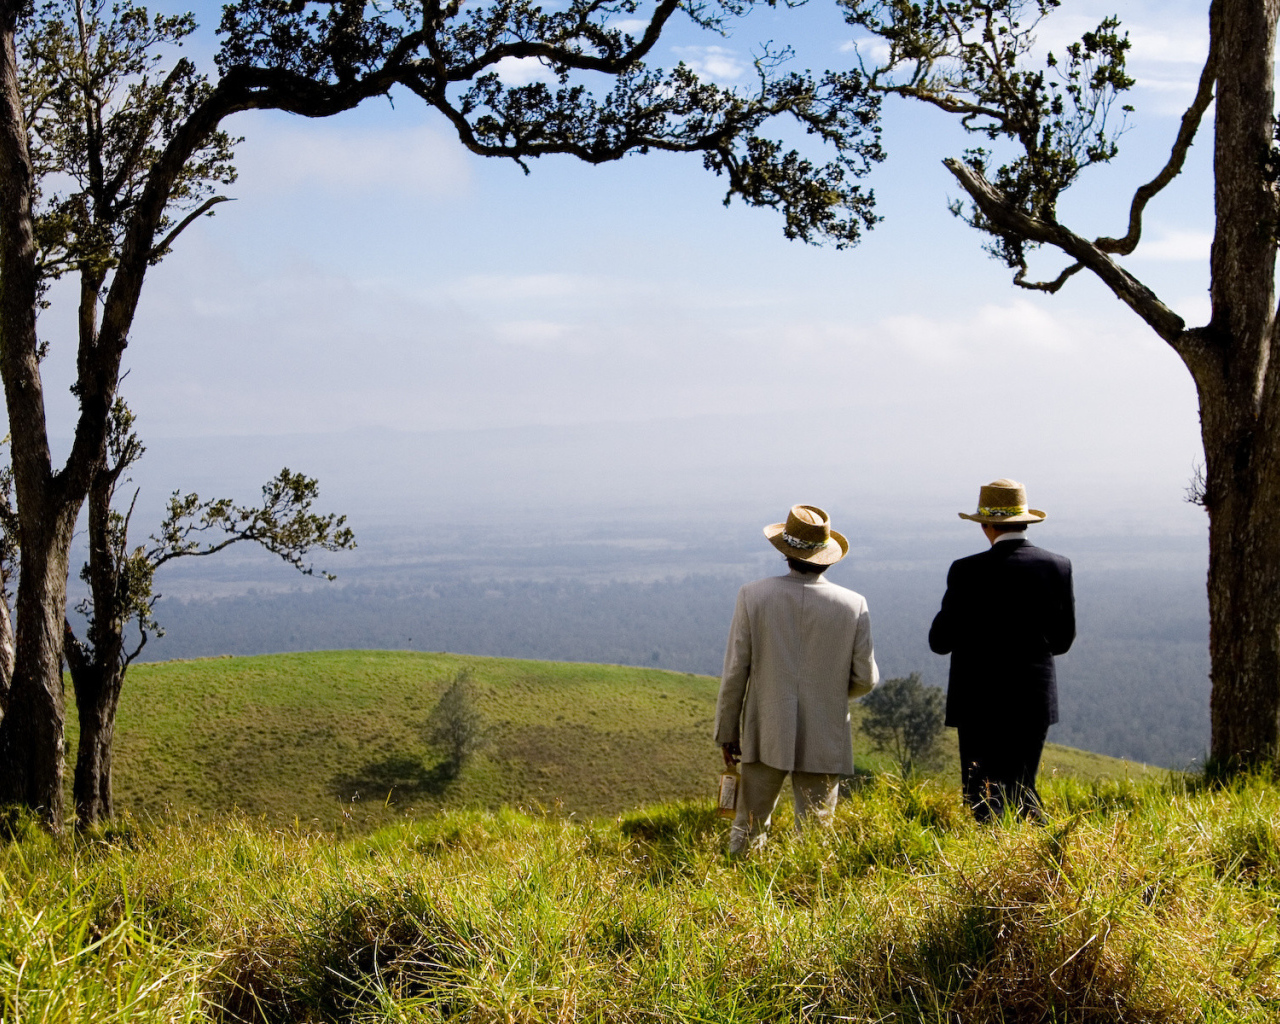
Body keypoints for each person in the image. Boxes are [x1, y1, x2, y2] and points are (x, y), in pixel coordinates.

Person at [715, 504, 879, 856]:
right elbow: (865, 678)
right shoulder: (853, 604)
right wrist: (829, 696)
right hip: (825, 731)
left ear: (784, 552)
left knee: (749, 826)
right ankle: (812, 901)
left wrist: (727, 731)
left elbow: (735, 672)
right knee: (817, 834)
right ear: (827, 557)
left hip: (764, 729)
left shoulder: (753, 596)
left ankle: (739, 900)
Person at [929, 478, 1075, 822]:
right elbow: (1063, 640)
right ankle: (1038, 857)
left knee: (982, 793)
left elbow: (940, 642)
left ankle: (996, 860)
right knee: (1023, 786)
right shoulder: (1058, 566)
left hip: (977, 698)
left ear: (986, 526)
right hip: (1032, 696)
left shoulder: (966, 571)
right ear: (1025, 520)